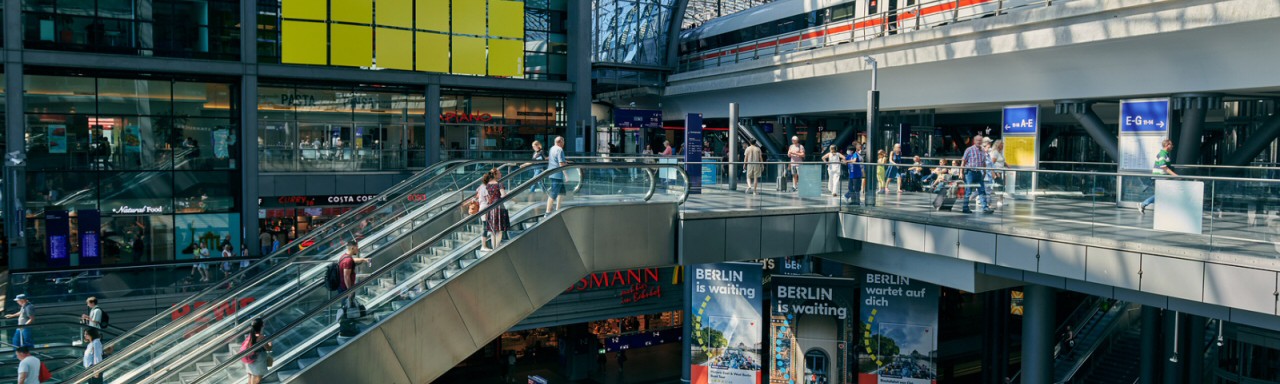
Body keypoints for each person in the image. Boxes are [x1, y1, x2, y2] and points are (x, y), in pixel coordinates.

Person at [1140, 139, 1178, 215]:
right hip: (1160, 177)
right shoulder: (1162, 154)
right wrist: (1175, 175)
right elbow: (1164, 167)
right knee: (1163, 194)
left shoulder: (1165, 154)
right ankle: (1144, 204)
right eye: (1171, 145)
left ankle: (1144, 204)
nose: (1172, 146)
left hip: (1161, 176)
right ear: (1167, 145)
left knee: (1163, 194)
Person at [961, 134, 993, 214]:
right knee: (968, 190)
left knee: (982, 190)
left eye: (980, 140)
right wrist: (961, 172)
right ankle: (965, 207)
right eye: (977, 140)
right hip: (970, 172)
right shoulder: (969, 149)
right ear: (974, 141)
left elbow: (983, 162)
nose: (979, 142)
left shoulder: (982, 150)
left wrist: (984, 171)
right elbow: (963, 161)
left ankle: (985, 208)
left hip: (978, 172)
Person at [338, 240, 372, 307]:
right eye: (357, 247)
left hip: (342, 287)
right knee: (348, 307)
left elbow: (352, 260)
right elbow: (346, 276)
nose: (358, 249)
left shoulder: (344, 257)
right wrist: (350, 291)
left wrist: (364, 260)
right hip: (346, 288)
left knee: (347, 306)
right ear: (352, 248)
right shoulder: (348, 260)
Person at [484, 169, 511, 249]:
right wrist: (507, 194)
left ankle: (493, 248)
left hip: (490, 207)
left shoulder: (488, 185)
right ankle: (497, 247)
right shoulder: (499, 184)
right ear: (495, 175)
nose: (501, 174)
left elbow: (488, 197)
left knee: (492, 230)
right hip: (499, 207)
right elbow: (503, 195)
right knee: (499, 229)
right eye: (499, 173)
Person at [242, 318, 272, 384]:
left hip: (249, 358)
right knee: (256, 378)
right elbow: (268, 348)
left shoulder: (250, 335)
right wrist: (270, 343)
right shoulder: (261, 337)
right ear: (262, 326)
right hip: (258, 359)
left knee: (251, 377)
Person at [546, 136, 568, 214]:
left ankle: (557, 209)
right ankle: (547, 211)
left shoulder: (552, 148)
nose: (564, 144)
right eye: (563, 142)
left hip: (552, 173)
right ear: (560, 142)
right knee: (554, 193)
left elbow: (554, 159)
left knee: (561, 192)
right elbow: (561, 163)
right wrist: (566, 175)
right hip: (557, 175)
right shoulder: (560, 149)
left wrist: (566, 161)